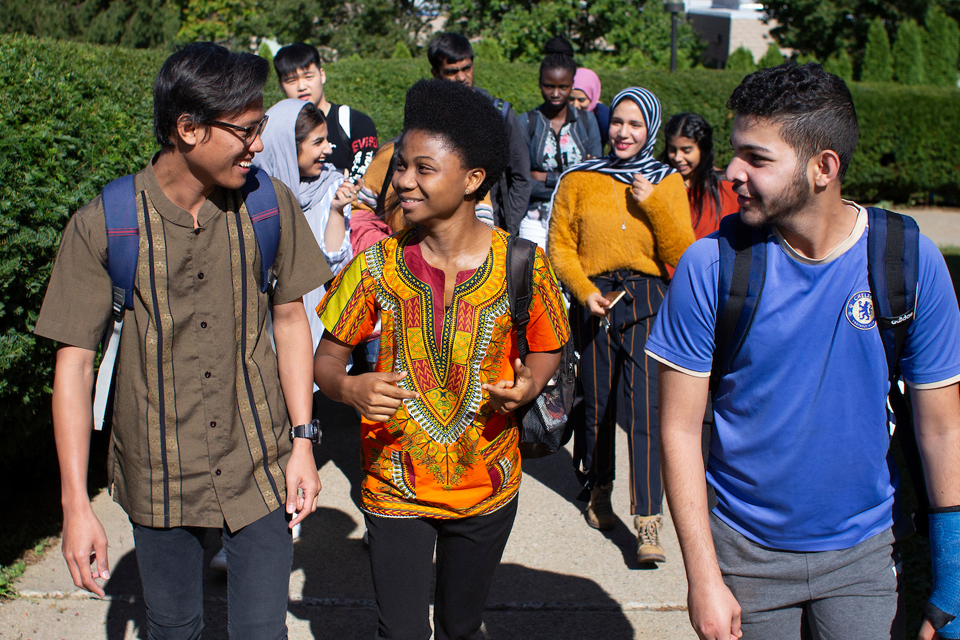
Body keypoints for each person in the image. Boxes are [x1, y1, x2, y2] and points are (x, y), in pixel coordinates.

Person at [645, 63, 960, 640]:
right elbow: (679, 431)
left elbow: (941, 429)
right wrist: (704, 577)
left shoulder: (908, 262)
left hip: (865, 554)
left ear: (824, 168)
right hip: (744, 554)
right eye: (735, 151)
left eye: (757, 159)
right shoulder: (710, 267)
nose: (732, 173)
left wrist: (955, 579)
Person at [34, 43, 327, 639]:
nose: (257, 145)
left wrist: (303, 441)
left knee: (262, 633)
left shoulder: (267, 205)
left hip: (260, 466)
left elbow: (291, 319)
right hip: (158, 474)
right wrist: (75, 505)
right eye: (246, 131)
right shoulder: (106, 224)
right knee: (173, 629)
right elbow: (75, 366)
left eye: (260, 129)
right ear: (188, 129)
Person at [314, 79, 571, 640]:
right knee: (401, 631)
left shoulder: (521, 263)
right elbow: (327, 360)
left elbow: (548, 346)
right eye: (401, 165)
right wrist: (348, 389)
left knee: (461, 626)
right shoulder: (376, 266)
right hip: (393, 484)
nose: (403, 180)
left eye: (423, 168)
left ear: (473, 180)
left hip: (488, 485)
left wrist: (530, 387)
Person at [548, 87, 695, 564]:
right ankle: (598, 488)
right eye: (618, 122)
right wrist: (581, 289)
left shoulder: (668, 180)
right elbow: (561, 247)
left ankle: (648, 522)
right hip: (595, 299)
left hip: (649, 299)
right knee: (597, 406)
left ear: (649, 129)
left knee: (648, 411)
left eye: (635, 124)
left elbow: (682, 255)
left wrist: (653, 203)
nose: (624, 132)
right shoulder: (578, 178)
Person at [256, 97, 361, 354]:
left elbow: (335, 266)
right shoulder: (258, 193)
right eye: (317, 142)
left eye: (326, 139)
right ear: (287, 147)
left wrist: (336, 210)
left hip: (315, 325)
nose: (328, 149)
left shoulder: (331, 186)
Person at [428, 32, 532, 235]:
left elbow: (520, 177)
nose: (461, 77)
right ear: (436, 73)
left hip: (492, 228)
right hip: (441, 231)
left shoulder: (499, 113)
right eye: (452, 71)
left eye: (467, 68)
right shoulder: (427, 117)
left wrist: (507, 228)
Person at [518, 36, 601, 248]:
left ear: (572, 85)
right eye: (548, 86)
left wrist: (544, 177)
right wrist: (571, 179)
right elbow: (523, 181)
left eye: (563, 87)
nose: (555, 94)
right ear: (539, 84)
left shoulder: (586, 120)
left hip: (578, 219)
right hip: (535, 220)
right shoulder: (527, 122)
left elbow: (594, 179)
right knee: (533, 278)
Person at [274, 43, 379, 181]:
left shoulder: (356, 122)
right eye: (291, 80)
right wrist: (342, 173)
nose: (302, 87)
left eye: (308, 77)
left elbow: (364, 179)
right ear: (281, 86)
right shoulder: (278, 130)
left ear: (322, 75)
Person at [660, 112, 739, 239]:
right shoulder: (660, 185)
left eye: (686, 151)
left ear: (702, 149)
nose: (677, 157)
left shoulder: (728, 188)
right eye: (672, 149)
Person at [569, 67, 610, 150]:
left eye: (581, 100)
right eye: (571, 99)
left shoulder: (602, 117)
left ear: (593, 98)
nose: (575, 105)